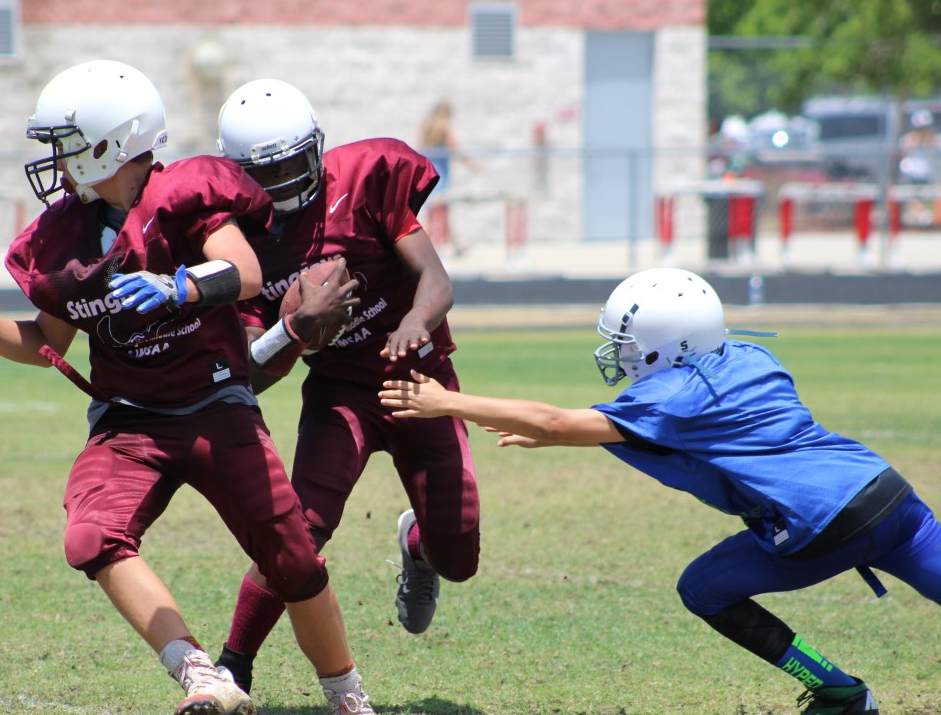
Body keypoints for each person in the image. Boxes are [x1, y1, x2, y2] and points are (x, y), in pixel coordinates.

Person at [0, 60, 374, 715]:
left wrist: (179, 285)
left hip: (216, 406)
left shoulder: (184, 194)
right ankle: (201, 675)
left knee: (293, 561)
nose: (55, 160)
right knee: (90, 536)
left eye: (65, 144)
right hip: (129, 422)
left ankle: (347, 695)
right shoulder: (62, 237)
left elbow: (245, 273)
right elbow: (45, 341)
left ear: (111, 142)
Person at [379, 267, 941, 715]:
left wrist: (446, 402)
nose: (619, 353)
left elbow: (557, 420)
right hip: (888, 493)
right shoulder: (751, 356)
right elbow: (637, 430)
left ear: (663, 344)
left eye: (626, 342)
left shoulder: (673, 396)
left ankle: (840, 692)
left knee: (703, 588)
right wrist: (554, 435)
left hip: (820, 523)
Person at [212, 79, 480, 696]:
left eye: (290, 163)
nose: (283, 182)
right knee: (300, 530)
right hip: (340, 392)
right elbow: (251, 371)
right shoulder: (242, 241)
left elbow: (436, 280)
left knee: (458, 559)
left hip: (421, 381)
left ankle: (419, 546)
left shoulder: (363, 179)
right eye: (266, 172)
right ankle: (233, 664)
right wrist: (297, 329)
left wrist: (415, 321)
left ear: (315, 147)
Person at [417, 100, 479, 257]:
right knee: (439, 212)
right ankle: (425, 245)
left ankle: (454, 245)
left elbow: (418, 149)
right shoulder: (445, 132)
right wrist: (472, 164)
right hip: (440, 177)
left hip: (427, 174)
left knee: (436, 211)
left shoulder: (427, 130)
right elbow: (457, 151)